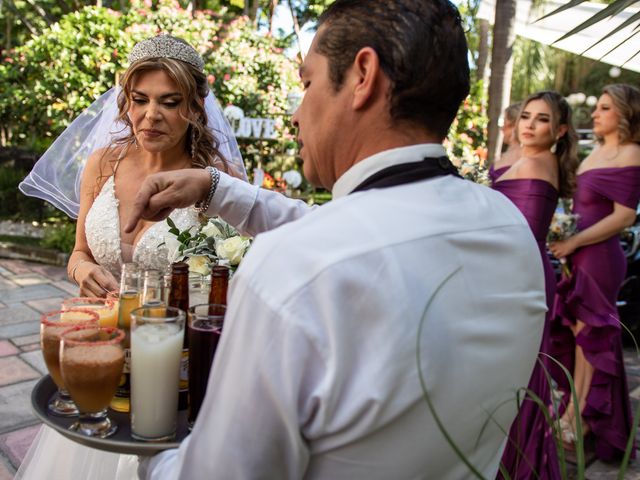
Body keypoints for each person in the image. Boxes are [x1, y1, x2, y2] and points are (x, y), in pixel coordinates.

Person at [125, 2, 548, 478]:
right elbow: (352, 229)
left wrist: (144, 457)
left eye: (307, 84)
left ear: (363, 75)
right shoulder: (509, 229)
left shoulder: (295, 266)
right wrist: (215, 186)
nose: (297, 113)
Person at [16, 35, 246, 479]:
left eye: (169, 101)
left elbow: (228, 285)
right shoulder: (103, 163)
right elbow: (78, 253)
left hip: (172, 367)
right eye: (139, 99)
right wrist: (83, 268)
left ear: (196, 107)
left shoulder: (219, 181)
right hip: (103, 354)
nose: (150, 115)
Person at [549, 84, 640, 460]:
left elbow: (625, 215)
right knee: (581, 337)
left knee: (593, 338)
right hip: (581, 254)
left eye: (604, 108)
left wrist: (574, 242)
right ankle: (576, 412)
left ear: (624, 113)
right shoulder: (597, 152)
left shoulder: (632, 152)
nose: (596, 114)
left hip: (600, 257)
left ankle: (583, 419)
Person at [492, 91, 579, 479]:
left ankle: (515, 462)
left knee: (515, 373)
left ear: (559, 130)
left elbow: (519, 231)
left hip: (518, 272)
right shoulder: (530, 159)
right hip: (519, 268)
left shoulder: (537, 164)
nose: (529, 124)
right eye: (525, 115)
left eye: (541, 119)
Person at [489, 102, 522, 186]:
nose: (502, 128)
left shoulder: (522, 155)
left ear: (515, 126)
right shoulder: (510, 152)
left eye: (504, 123)